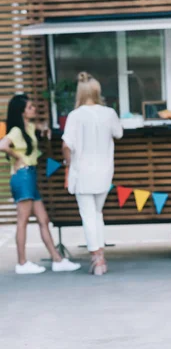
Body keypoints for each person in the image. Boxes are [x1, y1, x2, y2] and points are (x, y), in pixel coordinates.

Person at [0, 94, 81, 274]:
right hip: (23, 176)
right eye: (30, 107)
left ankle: (57, 259)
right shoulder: (16, 131)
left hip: (30, 175)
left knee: (43, 219)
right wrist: (17, 157)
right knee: (22, 221)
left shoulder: (27, 127)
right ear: (21, 112)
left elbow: (39, 128)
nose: (34, 109)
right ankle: (21, 263)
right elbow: (2, 144)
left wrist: (44, 129)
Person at [62, 72, 123, 276]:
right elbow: (119, 133)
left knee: (88, 216)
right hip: (104, 173)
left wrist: (67, 162)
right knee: (97, 214)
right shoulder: (108, 113)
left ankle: (97, 259)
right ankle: (101, 258)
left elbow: (66, 144)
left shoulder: (75, 115)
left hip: (82, 172)